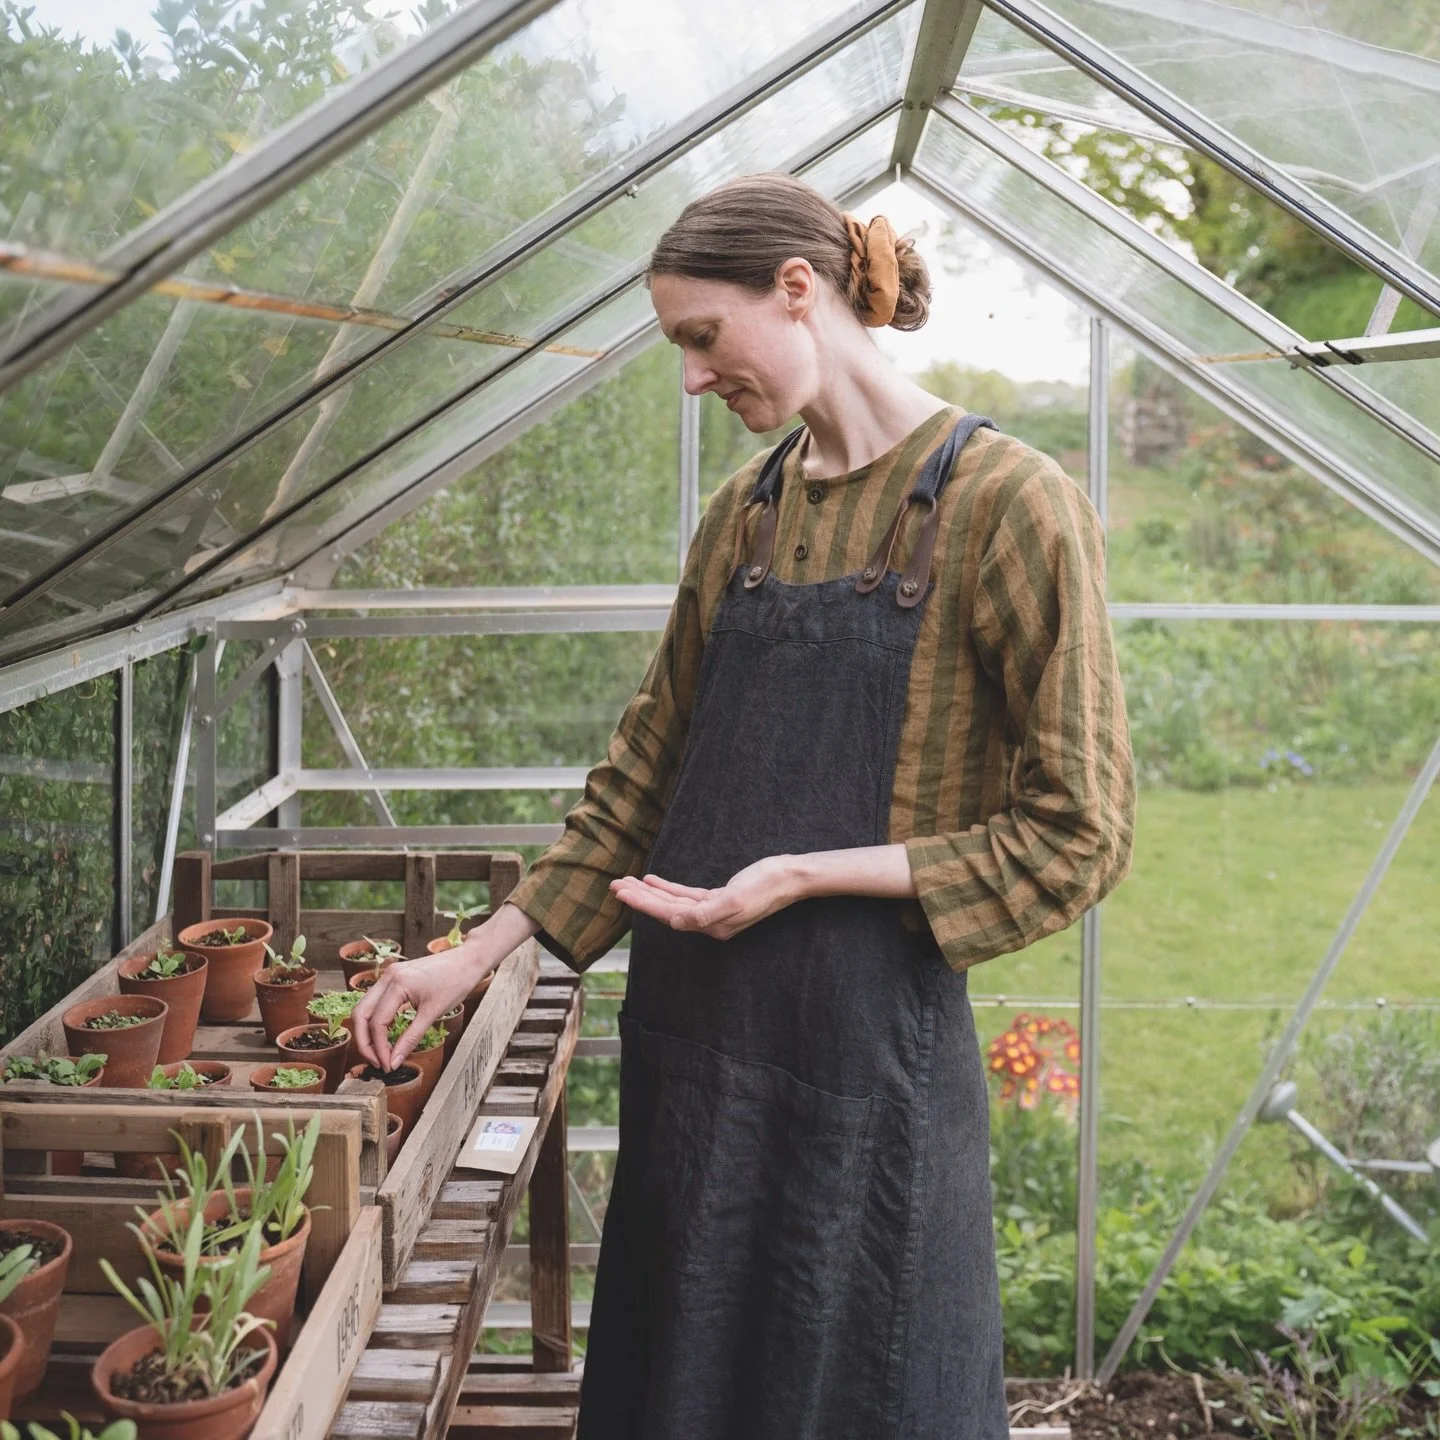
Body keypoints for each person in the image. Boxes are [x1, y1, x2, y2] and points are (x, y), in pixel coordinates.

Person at [353, 172, 1136, 1439]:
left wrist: (806, 875)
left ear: (798, 289)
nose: (691, 378)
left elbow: (1079, 830)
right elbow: (646, 770)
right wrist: (474, 958)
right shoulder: (747, 516)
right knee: (687, 1389)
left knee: (862, 1384)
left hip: (863, 1064)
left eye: (700, 339)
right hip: (698, 1049)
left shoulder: (1008, 505)